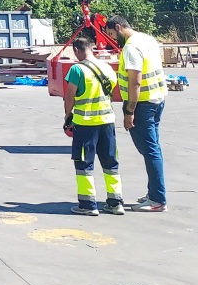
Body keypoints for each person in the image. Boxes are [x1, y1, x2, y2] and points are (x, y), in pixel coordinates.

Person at [103, 15, 168, 212]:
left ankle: (157, 199)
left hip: (142, 105)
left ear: (119, 27)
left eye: (113, 34)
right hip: (158, 99)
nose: (113, 39)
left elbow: (135, 82)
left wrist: (129, 110)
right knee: (153, 149)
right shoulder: (147, 39)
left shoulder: (131, 47)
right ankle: (154, 193)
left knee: (149, 151)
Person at [62, 30, 123, 216]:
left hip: (85, 123)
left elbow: (69, 96)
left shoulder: (77, 69)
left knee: (84, 165)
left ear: (76, 50)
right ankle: (115, 203)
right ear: (91, 48)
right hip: (107, 122)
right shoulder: (106, 68)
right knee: (111, 163)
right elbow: (111, 90)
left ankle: (88, 205)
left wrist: (67, 116)